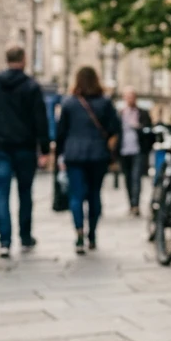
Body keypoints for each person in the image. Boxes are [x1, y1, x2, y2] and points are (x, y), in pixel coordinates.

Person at [0, 45, 51, 257]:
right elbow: (40, 120)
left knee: (1, 193)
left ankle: (4, 241)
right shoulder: (31, 87)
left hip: (0, 147)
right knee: (25, 193)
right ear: (24, 59)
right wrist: (44, 149)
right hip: (25, 147)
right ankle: (25, 237)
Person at [55, 66, 119, 255]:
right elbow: (115, 128)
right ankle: (92, 235)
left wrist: (60, 154)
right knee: (94, 195)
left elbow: (61, 133)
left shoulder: (68, 103)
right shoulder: (105, 102)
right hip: (98, 154)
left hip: (74, 155)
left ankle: (79, 233)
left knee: (76, 196)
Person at [117, 87, 153, 216]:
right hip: (124, 150)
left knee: (136, 177)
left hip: (138, 150)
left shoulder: (143, 113)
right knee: (127, 179)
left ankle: (136, 205)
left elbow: (149, 131)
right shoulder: (120, 113)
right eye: (127, 96)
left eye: (131, 96)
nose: (130, 99)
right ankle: (131, 204)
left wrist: (138, 127)